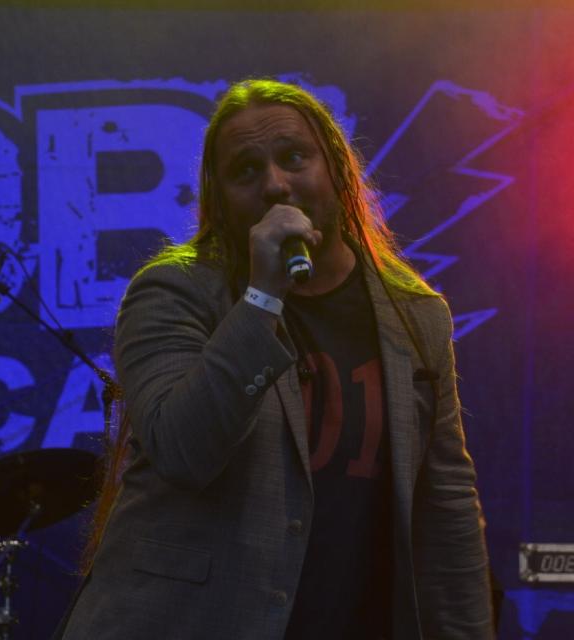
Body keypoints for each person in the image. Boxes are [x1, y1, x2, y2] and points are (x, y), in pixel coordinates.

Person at [58, 78, 494, 640]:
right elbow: (183, 451)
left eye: (293, 158)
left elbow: (446, 501)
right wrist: (262, 296)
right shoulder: (173, 292)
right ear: (219, 199)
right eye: (245, 171)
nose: (274, 185)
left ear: (337, 171)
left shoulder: (415, 316)